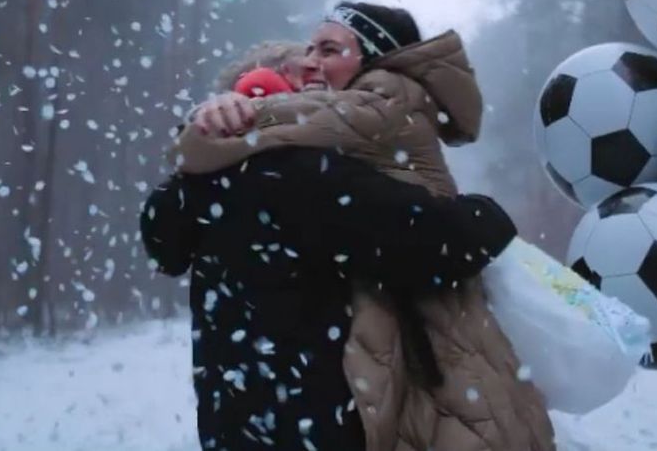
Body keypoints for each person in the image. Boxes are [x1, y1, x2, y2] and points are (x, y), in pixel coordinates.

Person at [162, 1, 555, 450]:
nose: (311, 68)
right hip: (299, 414)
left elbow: (163, 236)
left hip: (257, 414)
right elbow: (430, 239)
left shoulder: (262, 170)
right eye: (299, 65)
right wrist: (483, 218)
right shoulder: (289, 169)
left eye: (325, 52)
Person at [141, 146, 517, 450]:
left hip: (233, 424)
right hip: (313, 424)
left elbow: (163, 247)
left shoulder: (199, 183)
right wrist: (486, 216)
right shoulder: (298, 169)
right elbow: (430, 241)